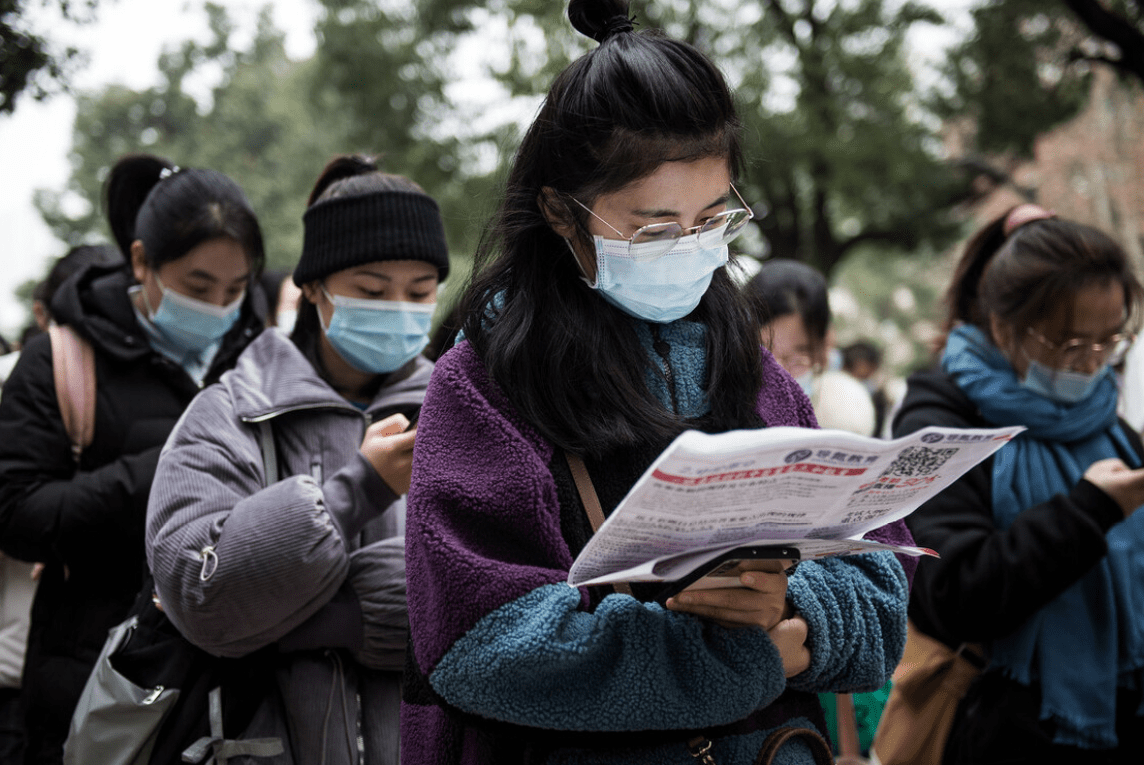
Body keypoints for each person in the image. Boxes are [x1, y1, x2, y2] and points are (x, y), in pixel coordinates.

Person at [401, 3, 912, 763]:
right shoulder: (485, 387)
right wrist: (751, 655)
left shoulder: (756, 373)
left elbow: (880, 577)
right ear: (560, 213)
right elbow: (482, 639)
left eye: (713, 219)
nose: (691, 248)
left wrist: (798, 619)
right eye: (654, 230)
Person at [146, 154, 449, 764]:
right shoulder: (230, 412)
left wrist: (304, 614)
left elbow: (518, 586)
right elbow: (192, 589)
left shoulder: (464, 412)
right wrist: (354, 494)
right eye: (370, 290)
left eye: (419, 292)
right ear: (313, 288)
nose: (398, 307)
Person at [0, 153, 265, 764]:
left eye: (235, 289)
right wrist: (173, 465)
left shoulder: (260, 366)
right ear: (141, 261)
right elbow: (17, 512)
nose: (219, 307)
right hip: (86, 674)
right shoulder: (63, 360)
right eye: (197, 287)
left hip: (227, 686)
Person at [892, 203, 1144, 763]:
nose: (1093, 364)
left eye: (1112, 343)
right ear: (1005, 327)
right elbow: (949, 593)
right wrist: (1090, 511)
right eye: (1073, 345)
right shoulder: (941, 420)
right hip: (1006, 733)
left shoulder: (1110, 421)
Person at [744, 259, 877, 436]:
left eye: (799, 358)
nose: (781, 374)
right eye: (765, 355)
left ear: (825, 344)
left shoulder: (843, 411)